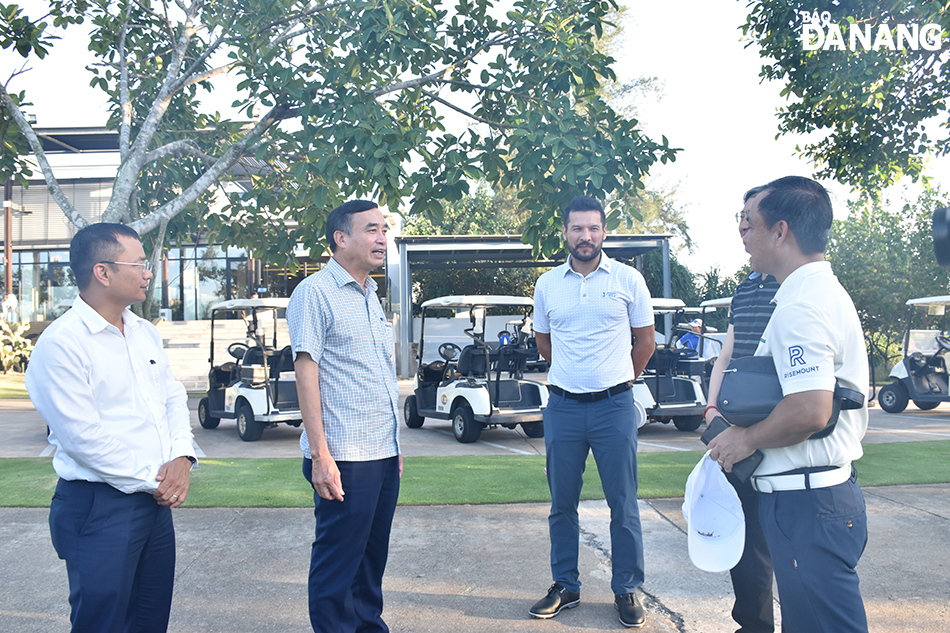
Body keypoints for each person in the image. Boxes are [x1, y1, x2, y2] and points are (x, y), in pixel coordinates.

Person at [707, 176, 870, 633]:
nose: (745, 241)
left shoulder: (802, 305)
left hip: (807, 503)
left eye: (750, 226)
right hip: (814, 497)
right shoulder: (815, 293)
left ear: (781, 231)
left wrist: (744, 440)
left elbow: (810, 410)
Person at [25, 222, 196, 633]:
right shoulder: (62, 344)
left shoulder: (143, 333)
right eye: (138, 264)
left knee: (150, 620)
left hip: (152, 503)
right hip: (99, 507)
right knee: (102, 623)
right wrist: (158, 479)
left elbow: (172, 397)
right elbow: (82, 437)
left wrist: (182, 456)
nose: (148, 273)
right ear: (102, 272)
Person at [530, 195, 655, 628]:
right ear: (564, 232)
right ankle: (566, 585)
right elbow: (545, 344)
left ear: (604, 232)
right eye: (577, 228)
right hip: (563, 407)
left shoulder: (628, 279)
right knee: (562, 504)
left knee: (623, 504)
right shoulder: (547, 284)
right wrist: (573, 375)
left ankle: (627, 589)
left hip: (614, 407)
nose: (586, 236)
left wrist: (619, 381)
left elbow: (646, 343)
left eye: (593, 228)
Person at [287, 199, 402, 633]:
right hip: (344, 456)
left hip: (380, 452)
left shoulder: (371, 295)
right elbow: (306, 369)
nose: (382, 238)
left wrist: (395, 447)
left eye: (384, 230)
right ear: (341, 238)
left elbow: (375, 376)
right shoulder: (314, 292)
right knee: (339, 564)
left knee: (371, 561)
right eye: (371, 229)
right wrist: (320, 455)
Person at [703, 187, 782, 633]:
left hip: (778, 426)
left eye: (750, 219)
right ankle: (752, 625)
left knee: (785, 544)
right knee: (747, 540)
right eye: (741, 217)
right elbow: (726, 355)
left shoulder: (798, 282)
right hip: (735, 425)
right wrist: (712, 408)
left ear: (779, 226)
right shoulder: (747, 286)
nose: (742, 227)